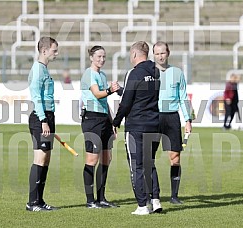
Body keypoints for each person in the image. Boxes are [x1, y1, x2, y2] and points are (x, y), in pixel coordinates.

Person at [113, 41, 162, 215]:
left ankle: (142, 205)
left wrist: (116, 121)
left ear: (134, 54)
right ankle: (155, 200)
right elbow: (142, 94)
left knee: (137, 166)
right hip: (155, 124)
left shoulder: (133, 73)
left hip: (137, 126)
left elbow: (127, 102)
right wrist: (122, 91)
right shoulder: (155, 72)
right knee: (150, 163)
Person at [153, 41, 192, 205]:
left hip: (172, 118)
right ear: (153, 55)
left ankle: (174, 195)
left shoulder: (177, 72)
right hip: (152, 117)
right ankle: (152, 194)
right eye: (157, 53)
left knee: (175, 157)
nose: (160, 56)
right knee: (148, 157)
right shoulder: (149, 72)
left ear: (168, 53)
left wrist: (188, 119)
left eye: (163, 53)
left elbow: (183, 97)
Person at [80, 45, 120, 209]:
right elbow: (97, 94)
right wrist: (111, 89)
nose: (102, 60)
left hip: (104, 119)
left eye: (104, 57)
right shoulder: (89, 75)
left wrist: (113, 122)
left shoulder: (102, 75)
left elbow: (104, 101)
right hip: (92, 119)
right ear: (91, 58)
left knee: (106, 158)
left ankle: (101, 198)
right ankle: (90, 200)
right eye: (98, 57)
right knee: (92, 159)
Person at [26, 37, 59, 212]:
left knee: (45, 160)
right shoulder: (38, 70)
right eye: (54, 50)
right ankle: (32, 202)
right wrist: (43, 120)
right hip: (41, 118)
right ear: (44, 50)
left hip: (48, 117)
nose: (56, 53)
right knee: (39, 159)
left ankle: (40, 200)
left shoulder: (44, 69)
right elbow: (36, 97)